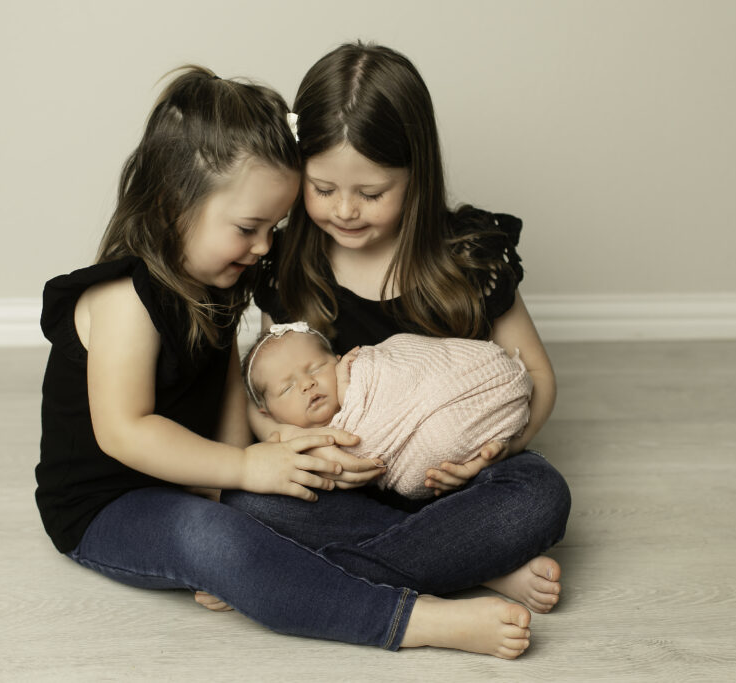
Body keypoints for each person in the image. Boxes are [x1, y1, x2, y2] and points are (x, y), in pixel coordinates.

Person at [34, 65, 536, 659]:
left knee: (286, 502)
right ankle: (416, 617)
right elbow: (125, 432)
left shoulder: (218, 279)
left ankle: (459, 555)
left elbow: (226, 387)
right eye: (250, 227)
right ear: (174, 203)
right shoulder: (121, 300)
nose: (266, 247)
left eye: (275, 227)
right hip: (110, 504)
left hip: (203, 475)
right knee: (221, 540)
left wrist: (236, 474)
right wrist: (242, 471)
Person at [221, 42, 571, 616]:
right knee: (244, 496)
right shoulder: (289, 266)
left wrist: (499, 450)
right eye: (323, 189)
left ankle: (319, 574)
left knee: (541, 496)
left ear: (416, 173)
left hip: (455, 479)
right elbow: (269, 384)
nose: (345, 211)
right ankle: (475, 564)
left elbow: (535, 374)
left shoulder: (470, 255)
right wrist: (285, 441)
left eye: (372, 193)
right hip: (347, 484)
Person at [243, 322, 533, 499]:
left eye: (317, 368)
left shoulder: (361, 371)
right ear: (267, 412)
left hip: (465, 395)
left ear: (339, 359)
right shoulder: (289, 443)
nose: (307, 383)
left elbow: (406, 360)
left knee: (538, 491)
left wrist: (350, 390)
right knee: (263, 501)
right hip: (404, 480)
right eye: (287, 388)